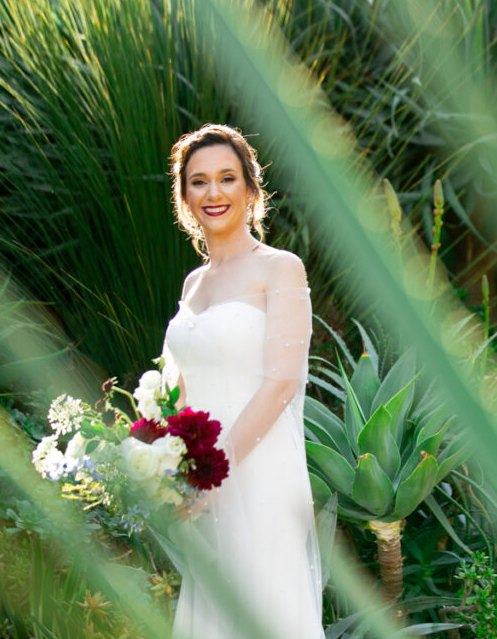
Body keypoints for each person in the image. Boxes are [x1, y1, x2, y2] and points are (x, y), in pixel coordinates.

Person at [152, 123, 326, 638]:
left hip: (258, 476)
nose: (214, 193)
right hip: (200, 483)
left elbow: (280, 385)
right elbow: (176, 389)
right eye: (198, 181)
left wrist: (213, 472)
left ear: (251, 190)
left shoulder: (280, 269)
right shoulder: (193, 283)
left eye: (227, 178)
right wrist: (160, 460)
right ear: (184, 194)